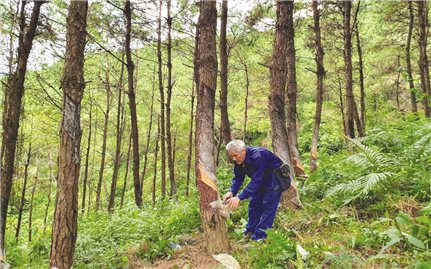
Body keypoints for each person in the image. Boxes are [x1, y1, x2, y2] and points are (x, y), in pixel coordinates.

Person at [223, 140, 282, 241]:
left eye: (235, 155)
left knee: (268, 206)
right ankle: (249, 232)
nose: (234, 159)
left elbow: (256, 180)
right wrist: (232, 191)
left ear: (243, 151)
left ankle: (259, 237)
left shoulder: (258, 156)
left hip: (275, 178)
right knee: (254, 204)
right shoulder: (238, 161)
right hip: (260, 180)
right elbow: (238, 178)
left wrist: (239, 197)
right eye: (231, 156)